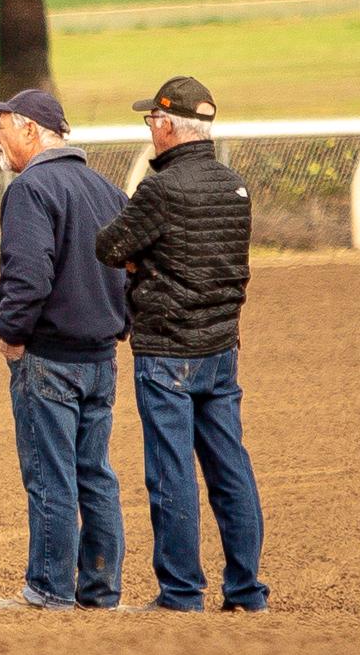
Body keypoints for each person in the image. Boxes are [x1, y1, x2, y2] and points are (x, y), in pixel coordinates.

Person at [96, 76, 268, 612]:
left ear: (168, 125)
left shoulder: (160, 190)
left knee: (171, 473)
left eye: (152, 120)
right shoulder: (233, 185)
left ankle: (180, 592)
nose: (150, 129)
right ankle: (245, 590)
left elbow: (109, 245)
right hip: (221, 346)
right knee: (230, 470)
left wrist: (140, 260)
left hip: (168, 349)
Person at [0, 88, 130, 611]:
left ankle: (48, 589)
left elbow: (27, 276)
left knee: (50, 475)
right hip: (100, 357)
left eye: (1, 127)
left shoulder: (31, 190)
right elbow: (134, 271)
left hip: (47, 357)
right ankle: (100, 589)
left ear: (30, 129)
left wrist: (12, 332)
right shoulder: (108, 191)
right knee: (95, 474)